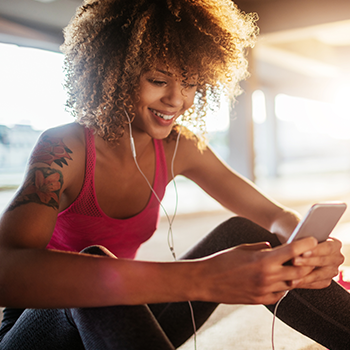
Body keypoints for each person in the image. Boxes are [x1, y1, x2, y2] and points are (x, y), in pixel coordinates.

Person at [0, 0, 349, 349]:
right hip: (40, 331)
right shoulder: (65, 148)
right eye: (158, 80)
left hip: (121, 324)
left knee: (243, 233)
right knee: (94, 269)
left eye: (191, 84)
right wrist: (200, 279)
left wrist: (307, 248)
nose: (176, 100)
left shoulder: (177, 147)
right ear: (113, 71)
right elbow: (7, 269)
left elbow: (273, 216)